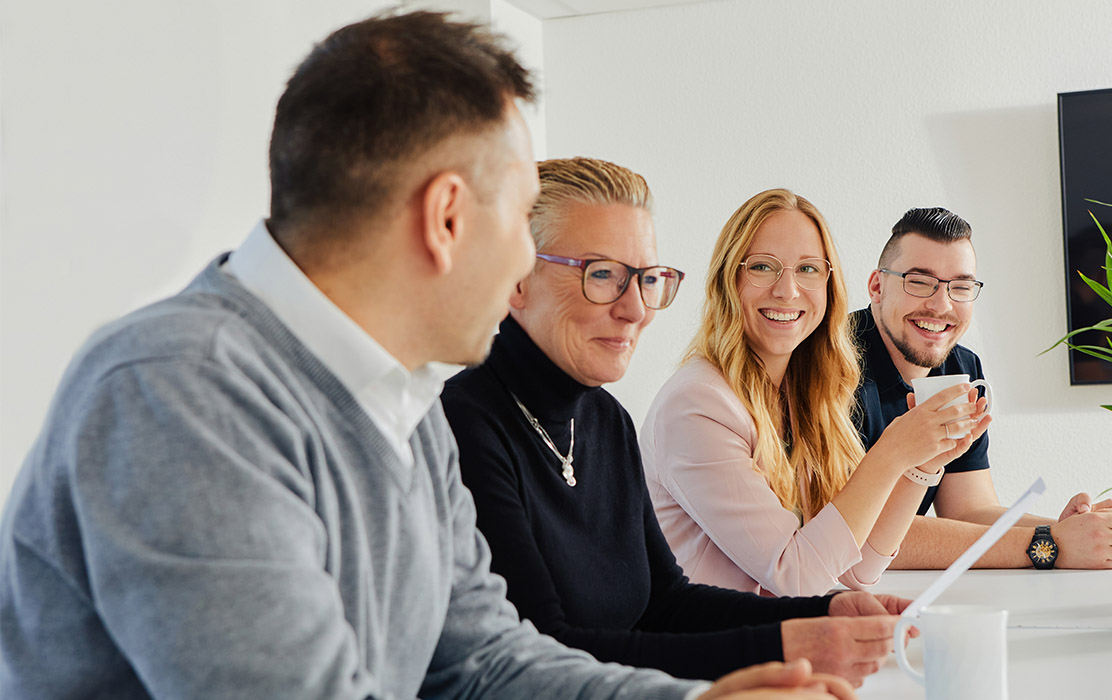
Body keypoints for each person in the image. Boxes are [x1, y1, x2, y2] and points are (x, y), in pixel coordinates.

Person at [0, 13, 858, 700]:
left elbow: (482, 663)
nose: (526, 265)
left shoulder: (404, 404)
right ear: (447, 217)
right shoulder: (179, 392)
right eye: (519, 219)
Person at [442, 158, 915, 688]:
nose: (637, 309)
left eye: (647, 279)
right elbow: (546, 651)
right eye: (601, 274)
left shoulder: (603, 419)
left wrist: (820, 616)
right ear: (515, 280)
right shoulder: (463, 429)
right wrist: (784, 643)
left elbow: (664, 602)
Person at [640, 189, 991, 598]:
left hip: (772, 640)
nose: (788, 290)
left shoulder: (804, 395)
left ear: (828, 284)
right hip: (703, 655)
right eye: (763, 267)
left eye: (807, 269)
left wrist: (921, 465)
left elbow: (856, 570)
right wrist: (893, 451)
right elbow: (796, 577)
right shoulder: (697, 406)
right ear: (728, 280)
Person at [853, 206, 1112, 569]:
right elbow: (857, 536)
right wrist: (1050, 545)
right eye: (919, 282)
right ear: (877, 286)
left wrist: (1071, 530)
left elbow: (969, 510)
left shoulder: (961, 368)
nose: (941, 305)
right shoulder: (829, 365)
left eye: (961, 287)